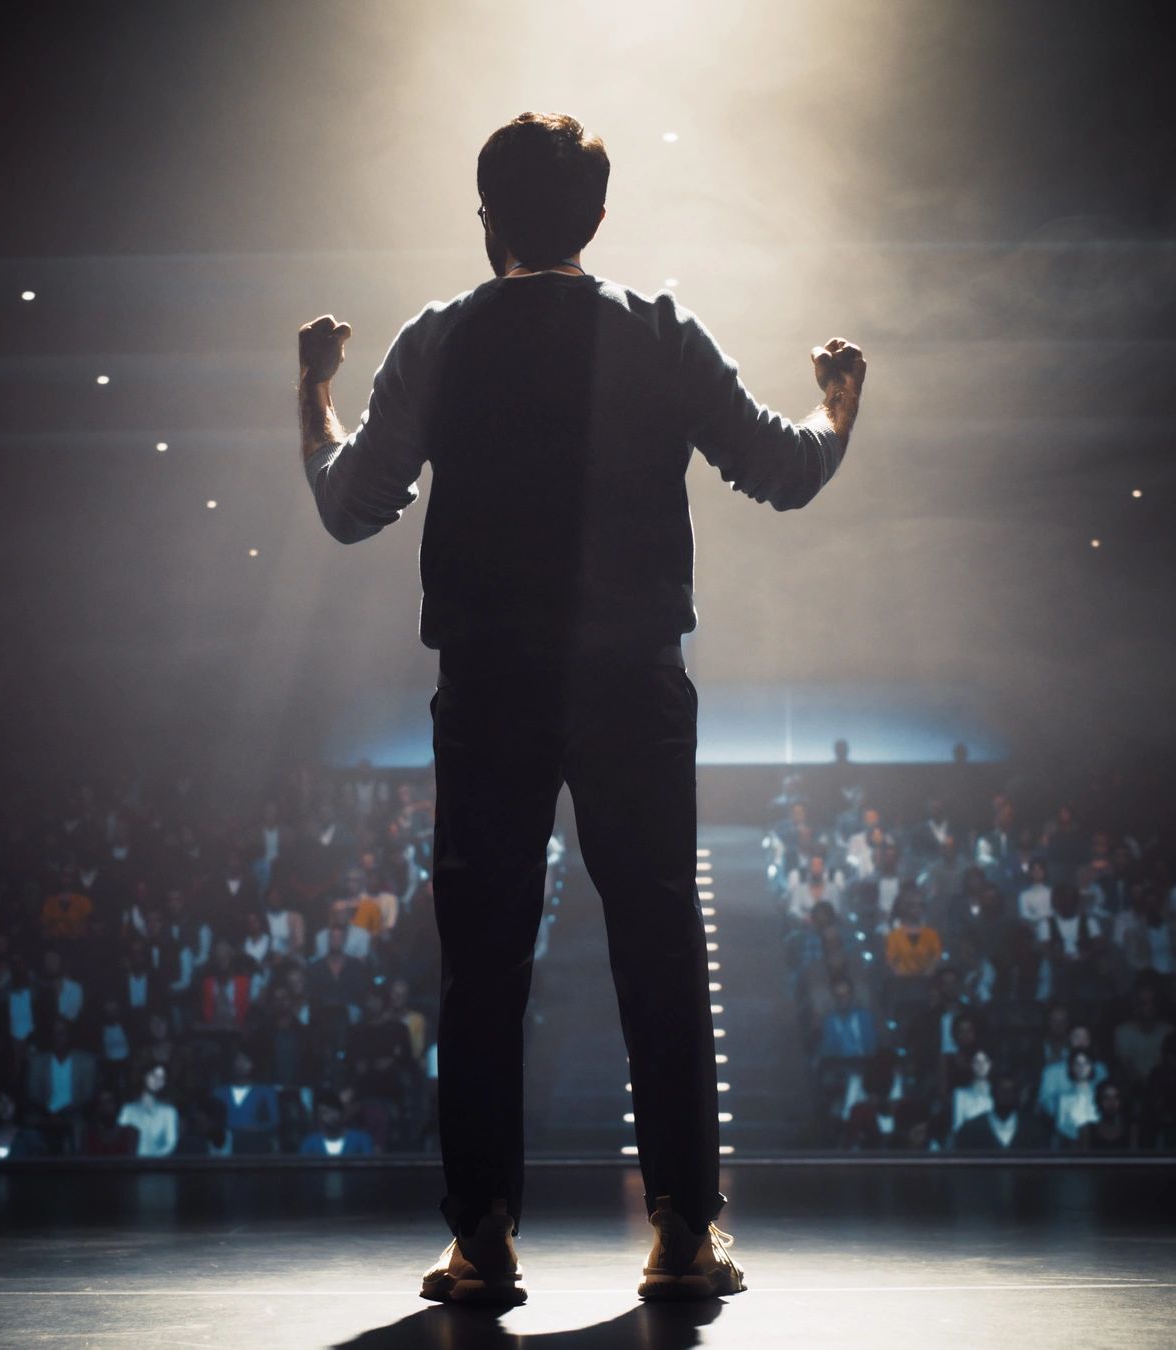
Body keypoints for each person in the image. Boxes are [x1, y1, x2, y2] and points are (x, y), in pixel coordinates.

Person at [303, 112, 862, 1306]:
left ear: (484, 219)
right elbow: (783, 468)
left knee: (484, 961)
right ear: (597, 221)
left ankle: (484, 1238)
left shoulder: (438, 342)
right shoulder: (656, 332)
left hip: (491, 686)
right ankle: (681, 1232)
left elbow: (349, 505)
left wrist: (313, 392)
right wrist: (840, 404)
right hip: (631, 681)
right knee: (658, 939)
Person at [118, 1062, 181, 1158]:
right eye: (153, 1075)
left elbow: (170, 1144)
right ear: (145, 1076)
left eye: (162, 1078)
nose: (157, 1080)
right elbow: (121, 1139)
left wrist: (153, 1162)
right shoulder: (128, 1109)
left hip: (157, 1167)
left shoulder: (169, 1112)